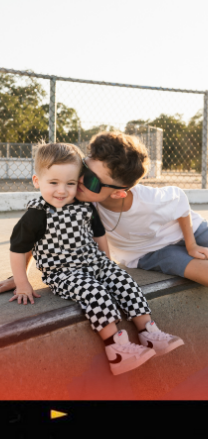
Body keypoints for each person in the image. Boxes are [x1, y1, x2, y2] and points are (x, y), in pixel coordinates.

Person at [1, 131, 208, 295]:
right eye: (83, 170)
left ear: (119, 192)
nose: (77, 182)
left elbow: (180, 201)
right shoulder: (76, 197)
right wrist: (19, 276)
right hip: (149, 252)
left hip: (192, 230)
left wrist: (191, 243)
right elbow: (36, 227)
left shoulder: (149, 199)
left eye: (91, 181)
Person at [9, 143, 184, 376]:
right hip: (64, 273)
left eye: (70, 183)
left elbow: (98, 234)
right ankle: (117, 349)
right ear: (36, 181)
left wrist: (107, 262)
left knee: (123, 281)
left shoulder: (83, 206)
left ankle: (149, 332)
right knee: (94, 293)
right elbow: (18, 249)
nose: (62, 190)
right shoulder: (37, 214)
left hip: (94, 263)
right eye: (53, 183)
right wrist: (22, 282)